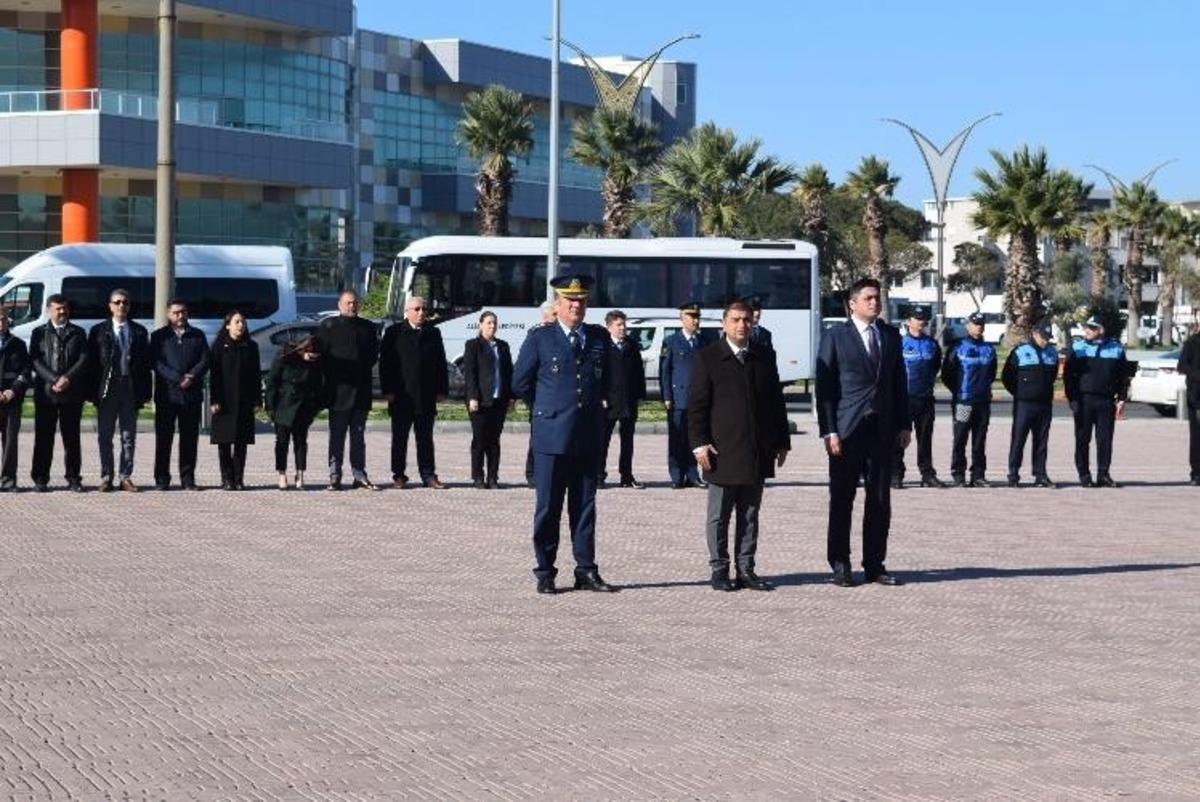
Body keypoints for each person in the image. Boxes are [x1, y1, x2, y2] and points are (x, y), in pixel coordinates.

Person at [512, 274, 617, 595]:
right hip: (551, 437)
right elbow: (520, 383)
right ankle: (545, 571)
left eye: (582, 300)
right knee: (548, 508)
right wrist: (546, 410)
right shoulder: (540, 339)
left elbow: (612, 378)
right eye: (570, 300)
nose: (576, 306)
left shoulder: (598, 338)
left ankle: (586, 569)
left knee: (585, 507)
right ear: (557, 305)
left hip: (587, 435)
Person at [689, 300, 790, 591]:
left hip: (757, 450)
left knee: (749, 514)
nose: (742, 325)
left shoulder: (763, 356)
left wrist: (782, 440)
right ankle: (719, 568)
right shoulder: (707, 358)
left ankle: (746, 568)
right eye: (735, 320)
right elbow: (696, 407)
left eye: (747, 320)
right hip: (721, 452)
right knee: (719, 516)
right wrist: (699, 444)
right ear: (724, 323)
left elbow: (775, 403)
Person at [816, 277, 910, 587]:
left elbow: (899, 384)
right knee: (842, 499)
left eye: (877, 297)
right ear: (852, 303)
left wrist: (903, 424)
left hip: (881, 430)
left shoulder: (890, 336)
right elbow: (825, 389)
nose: (874, 302)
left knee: (880, 500)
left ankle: (874, 563)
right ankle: (840, 562)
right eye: (868, 297)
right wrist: (829, 431)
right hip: (847, 430)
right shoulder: (835, 336)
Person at [380, 295, 449, 489]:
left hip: (426, 395)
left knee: (425, 438)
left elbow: (441, 363)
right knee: (400, 438)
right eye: (417, 309)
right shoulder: (394, 332)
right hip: (401, 395)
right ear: (407, 312)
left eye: (423, 309)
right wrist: (387, 390)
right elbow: (385, 364)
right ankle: (399, 474)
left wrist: (442, 389)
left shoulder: (433, 333)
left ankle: (428, 474)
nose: (421, 313)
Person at [88, 288, 152, 492]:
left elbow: (145, 365)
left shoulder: (139, 331)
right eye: (117, 302)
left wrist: (145, 394)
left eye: (125, 302)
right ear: (110, 305)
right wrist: (92, 393)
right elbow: (92, 365)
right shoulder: (98, 331)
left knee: (128, 436)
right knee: (105, 436)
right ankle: (106, 477)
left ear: (129, 305)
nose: (121, 306)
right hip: (107, 388)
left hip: (129, 387)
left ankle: (125, 477)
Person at [317, 289, 380, 491]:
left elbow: (372, 356)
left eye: (354, 303)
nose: (352, 306)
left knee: (358, 437)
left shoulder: (367, 327)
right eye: (348, 303)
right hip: (338, 392)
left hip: (361, 390)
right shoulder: (329, 326)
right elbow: (322, 357)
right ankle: (334, 475)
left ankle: (359, 474)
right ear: (340, 305)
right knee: (336, 436)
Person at [30, 294, 89, 492]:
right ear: (49, 310)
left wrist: (67, 378)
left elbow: (83, 359)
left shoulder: (78, 332)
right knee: (43, 439)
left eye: (65, 308)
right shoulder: (39, 332)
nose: (62, 312)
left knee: (71, 439)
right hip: (46, 393)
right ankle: (40, 478)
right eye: (58, 308)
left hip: (71, 394)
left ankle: (73, 478)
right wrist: (54, 379)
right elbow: (36, 360)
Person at [1064, 314, 1130, 487]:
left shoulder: (1116, 348)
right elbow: (1068, 376)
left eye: (1092, 328)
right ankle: (1084, 475)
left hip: (1106, 400)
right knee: (1082, 439)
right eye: (1086, 327)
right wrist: (1072, 399)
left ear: (1101, 330)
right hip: (1084, 400)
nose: (1087, 331)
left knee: (1105, 439)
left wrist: (1122, 398)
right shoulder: (1078, 348)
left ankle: (1103, 474)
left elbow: (1124, 376)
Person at [151, 299, 209, 491]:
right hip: (167, 395)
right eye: (175, 312)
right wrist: (177, 378)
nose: (180, 316)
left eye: (183, 312)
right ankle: (162, 478)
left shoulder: (197, 335)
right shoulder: (159, 336)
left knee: (190, 439)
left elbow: (205, 359)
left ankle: (187, 478)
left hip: (191, 396)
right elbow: (156, 363)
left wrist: (192, 375)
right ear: (168, 314)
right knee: (164, 439)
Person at [941, 311, 997, 487]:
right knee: (960, 438)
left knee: (980, 439)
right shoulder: (957, 348)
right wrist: (958, 392)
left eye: (981, 324)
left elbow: (992, 373)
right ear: (968, 326)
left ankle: (978, 474)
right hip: (963, 402)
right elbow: (947, 374)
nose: (978, 327)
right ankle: (958, 474)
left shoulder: (989, 349)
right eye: (975, 324)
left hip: (983, 402)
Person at [1002, 317, 1060, 488]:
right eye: (1043, 337)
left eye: (1048, 338)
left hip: (1044, 405)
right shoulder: (1020, 352)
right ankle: (1013, 474)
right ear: (1034, 334)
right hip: (1024, 405)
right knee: (1018, 440)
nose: (1045, 341)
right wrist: (1020, 393)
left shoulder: (1051, 353)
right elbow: (1007, 377)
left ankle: (1040, 474)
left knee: (1041, 441)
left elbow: (1053, 375)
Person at [660, 302, 712, 488]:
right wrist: (667, 396)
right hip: (678, 398)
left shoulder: (705, 341)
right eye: (691, 317)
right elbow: (665, 371)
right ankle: (676, 476)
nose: (695, 320)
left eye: (697, 317)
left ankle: (692, 475)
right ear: (682, 318)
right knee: (677, 439)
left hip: (698, 399)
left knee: (695, 438)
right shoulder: (671, 341)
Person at [209, 310, 262, 490]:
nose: (241, 325)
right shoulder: (218, 346)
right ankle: (226, 479)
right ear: (228, 325)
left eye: (243, 322)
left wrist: (257, 401)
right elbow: (214, 376)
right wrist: (214, 400)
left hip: (244, 400)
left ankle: (238, 479)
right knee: (224, 442)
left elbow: (256, 375)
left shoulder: (251, 346)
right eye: (237, 322)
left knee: (241, 442)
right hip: (224, 400)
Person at [265, 335, 324, 490]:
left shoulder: (315, 364)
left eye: (315, 355)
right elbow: (272, 382)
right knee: (282, 442)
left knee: (301, 442)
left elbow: (319, 386)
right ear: (302, 349)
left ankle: (300, 473)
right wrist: (270, 407)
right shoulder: (284, 357)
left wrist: (315, 408)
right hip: (283, 406)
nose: (312, 357)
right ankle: (282, 474)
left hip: (304, 407)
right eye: (310, 353)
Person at [893, 306, 944, 488]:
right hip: (904, 398)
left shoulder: (931, 344)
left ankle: (927, 474)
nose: (920, 321)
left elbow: (936, 366)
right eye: (916, 318)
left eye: (923, 319)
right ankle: (896, 474)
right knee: (899, 438)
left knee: (925, 439)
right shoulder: (899, 343)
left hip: (925, 399)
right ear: (909, 321)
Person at [462, 310, 513, 489]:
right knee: (480, 440)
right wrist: (473, 397)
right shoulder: (473, 345)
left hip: (499, 400)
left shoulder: (503, 346)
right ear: (480, 324)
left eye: (494, 323)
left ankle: (493, 477)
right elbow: (470, 374)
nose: (492, 326)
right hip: (480, 401)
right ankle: (478, 476)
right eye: (489, 323)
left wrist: (511, 398)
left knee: (494, 441)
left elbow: (508, 373)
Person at [600, 309, 647, 488]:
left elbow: (638, 372)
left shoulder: (631, 345)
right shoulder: (603, 345)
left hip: (628, 400)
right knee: (603, 441)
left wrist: (640, 395)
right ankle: (599, 475)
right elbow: (598, 375)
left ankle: (626, 476)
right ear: (609, 326)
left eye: (624, 324)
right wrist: (601, 396)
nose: (623, 328)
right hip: (609, 402)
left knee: (628, 442)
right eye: (619, 325)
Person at [525, 300, 557, 487]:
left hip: (555, 396)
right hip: (539, 396)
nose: (556, 316)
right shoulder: (536, 334)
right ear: (545, 315)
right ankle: (532, 474)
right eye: (553, 313)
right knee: (537, 437)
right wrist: (531, 398)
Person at [0, 308, 30, 491]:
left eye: (3, 318)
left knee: (10, 442)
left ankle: (8, 480)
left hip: (12, 400)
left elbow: (26, 371)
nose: (0, 322)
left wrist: (13, 391)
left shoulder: (18, 344)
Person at [1180, 325, 1200, 485]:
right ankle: (1196, 473)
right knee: (1197, 437)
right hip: (1197, 396)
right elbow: (1182, 366)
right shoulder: (1192, 343)